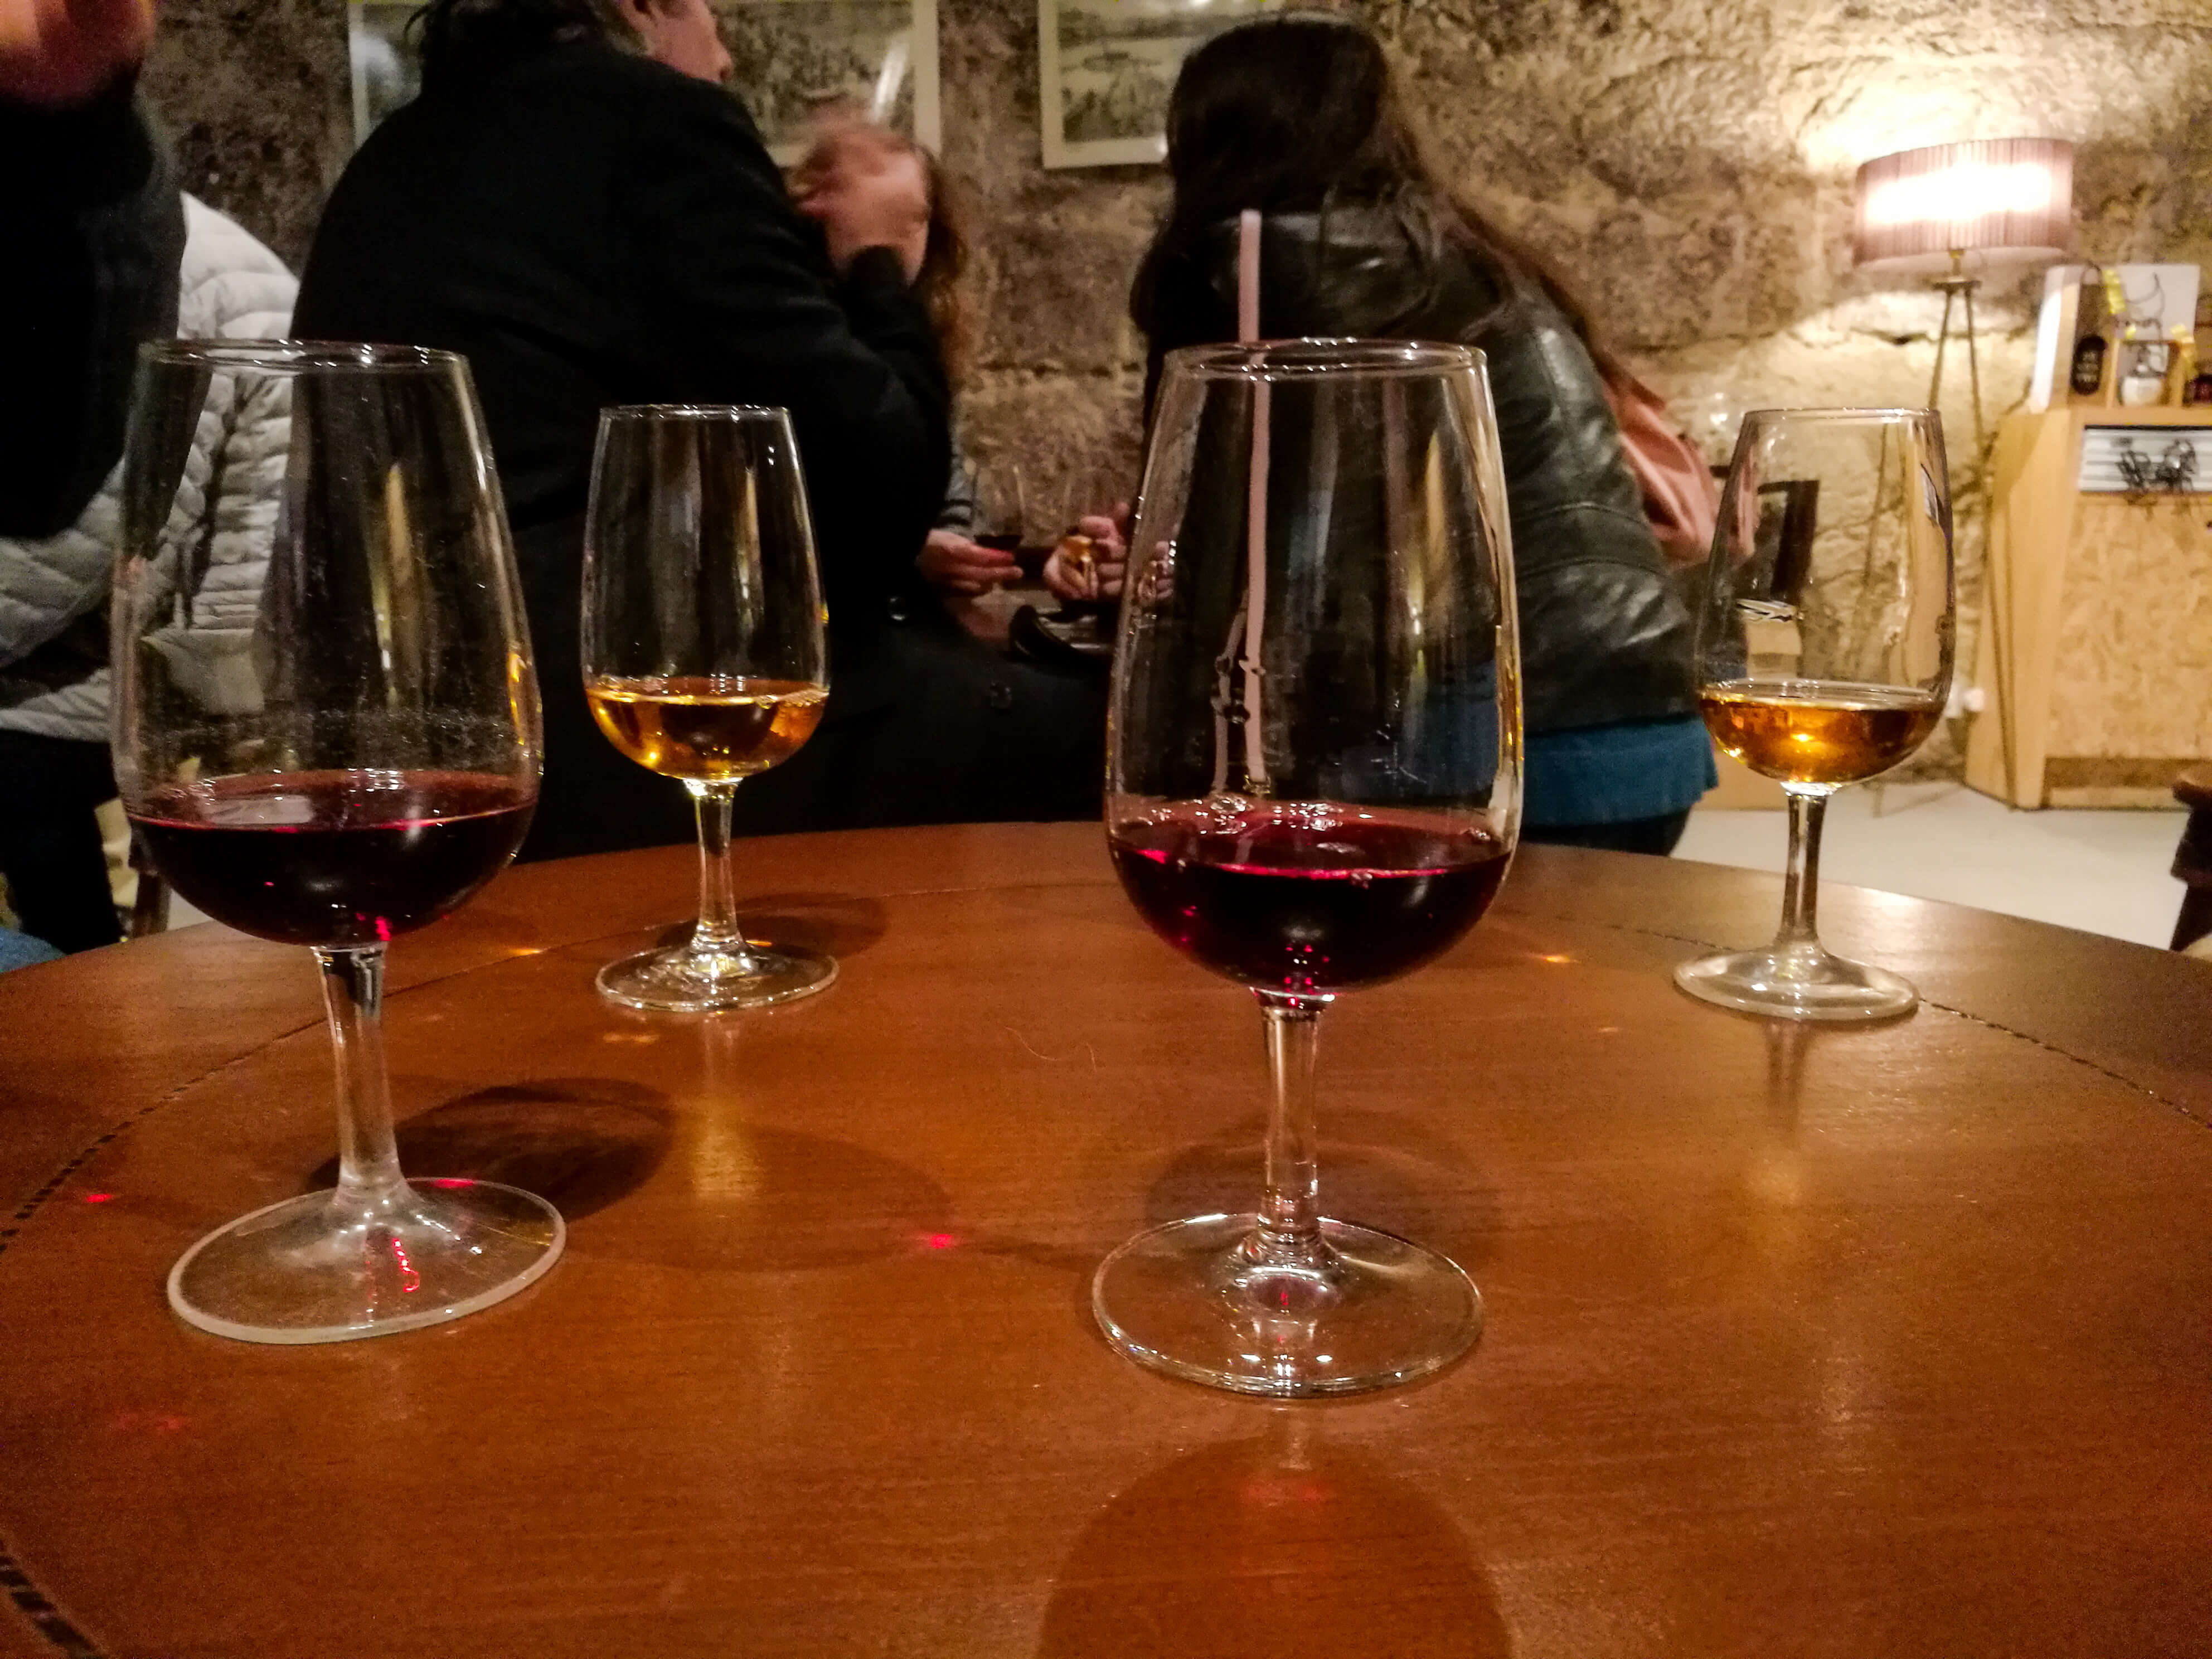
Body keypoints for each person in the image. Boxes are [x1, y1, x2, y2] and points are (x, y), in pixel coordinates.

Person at [295, 0, 1074, 857]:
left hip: (400, 742)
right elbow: (875, 499)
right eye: (711, 14)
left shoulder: (387, 160)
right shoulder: (653, 122)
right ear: (642, 5)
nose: (727, 58)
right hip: (613, 741)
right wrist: (880, 259)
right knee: (1086, 735)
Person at [1121, 11, 1713, 854]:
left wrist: (1176, 768)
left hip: (1496, 738)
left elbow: (1241, 558)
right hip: (1649, 716)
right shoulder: (1475, 258)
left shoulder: (1260, 250)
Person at [0, 196, 297, 954]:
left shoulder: (123, 257)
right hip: (151, 659)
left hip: (165, 676)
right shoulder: (124, 236)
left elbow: (77, 539)